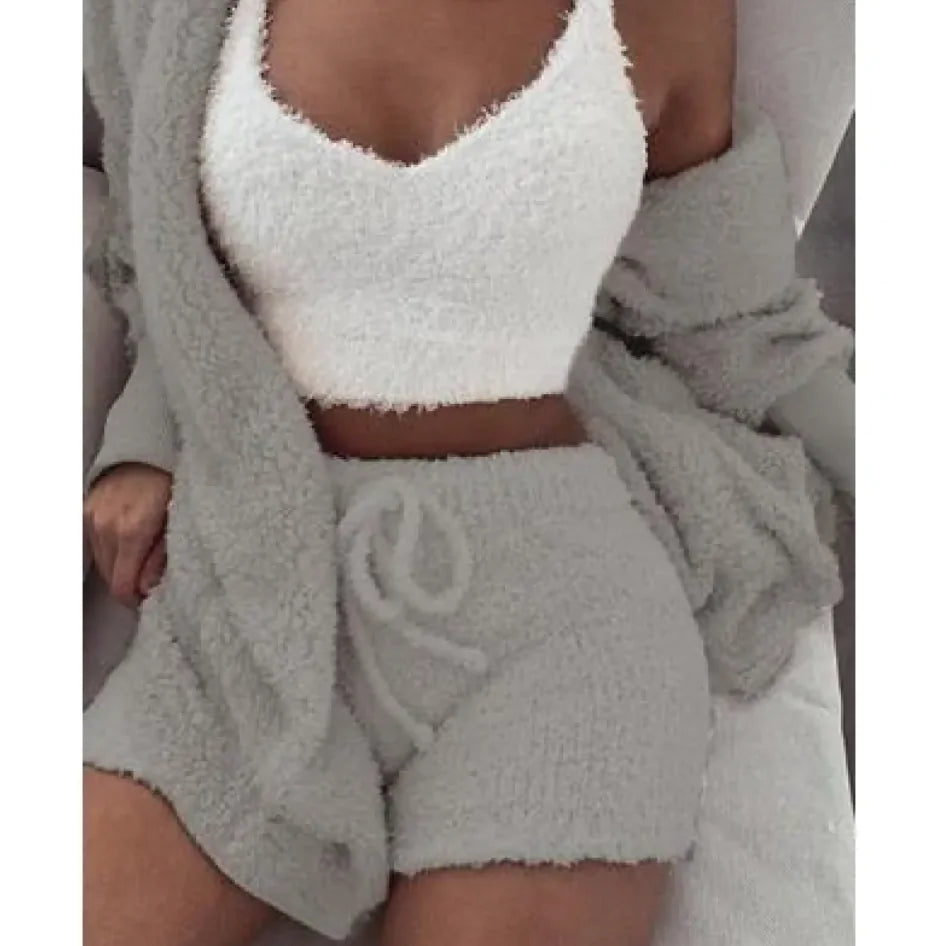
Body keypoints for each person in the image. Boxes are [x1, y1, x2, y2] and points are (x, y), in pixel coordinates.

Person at [83, 2, 748, 945]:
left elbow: (730, 310)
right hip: (262, 588)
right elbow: (160, 246)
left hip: (564, 614)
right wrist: (146, 434)